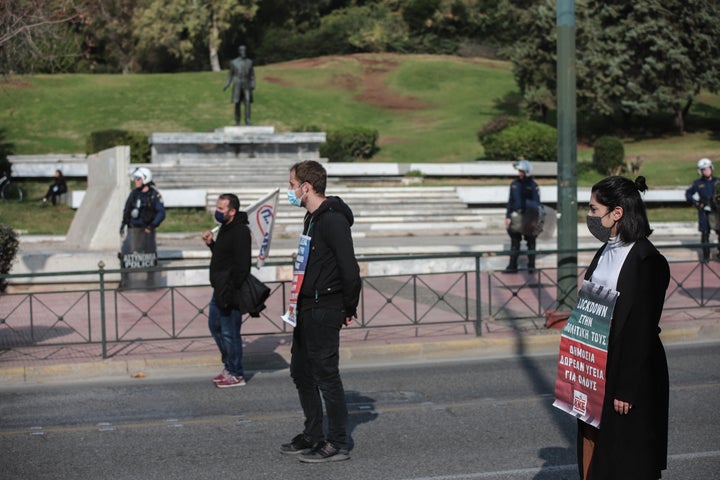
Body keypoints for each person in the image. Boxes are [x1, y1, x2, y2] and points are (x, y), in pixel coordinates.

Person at [579, 175, 670, 480]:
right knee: (594, 448)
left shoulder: (647, 260)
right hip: (596, 367)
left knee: (626, 458)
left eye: (594, 210)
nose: (589, 217)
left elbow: (642, 328)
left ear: (616, 212)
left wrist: (627, 388)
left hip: (627, 373)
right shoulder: (605, 249)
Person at [280, 160, 361, 463]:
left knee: (326, 375)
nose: (290, 191)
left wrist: (347, 306)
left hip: (326, 306)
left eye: (291, 185)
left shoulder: (333, 220)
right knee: (300, 371)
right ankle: (313, 433)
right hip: (305, 306)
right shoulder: (311, 218)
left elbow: (349, 269)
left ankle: (337, 442)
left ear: (306, 187)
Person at [201, 193, 251, 388]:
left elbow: (242, 266)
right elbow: (223, 257)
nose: (217, 211)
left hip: (230, 292)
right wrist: (211, 244)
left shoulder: (240, 231)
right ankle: (229, 366)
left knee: (230, 333)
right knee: (215, 327)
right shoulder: (225, 228)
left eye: (221, 208)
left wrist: (231, 289)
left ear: (232, 211)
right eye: (217, 207)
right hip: (220, 289)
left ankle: (236, 373)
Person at [119, 167, 166, 287]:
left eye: (138, 178)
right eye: (135, 178)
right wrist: (123, 225)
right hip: (133, 230)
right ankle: (125, 281)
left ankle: (150, 281)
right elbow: (127, 209)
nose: (136, 181)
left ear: (145, 179)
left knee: (150, 256)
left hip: (147, 230)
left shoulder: (154, 195)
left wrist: (152, 225)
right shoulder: (134, 194)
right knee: (125, 254)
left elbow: (161, 212)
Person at [503, 159, 540, 273]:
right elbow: (510, 201)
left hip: (529, 216)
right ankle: (512, 267)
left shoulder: (533, 185)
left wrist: (534, 219)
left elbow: (536, 202)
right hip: (516, 216)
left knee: (531, 242)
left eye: (521, 171)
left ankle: (531, 267)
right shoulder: (514, 184)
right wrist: (508, 216)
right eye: (519, 171)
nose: (519, 173)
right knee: (515, 241)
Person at [685, 158, 719, 262]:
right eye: (704, 169)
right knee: (705, 233)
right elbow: (688, 194)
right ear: (700, 171)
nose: (706, 171)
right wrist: (696, 203)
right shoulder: (697, 183)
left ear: (711, 168)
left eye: (708, 168)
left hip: (717, 211)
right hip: (704, 211)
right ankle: (705, 257)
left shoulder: (717, 181)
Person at [223, 45, 255, 126]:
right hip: (237, 83)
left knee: (247, 101)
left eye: (244, 50)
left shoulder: (249, 62)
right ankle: (237, 121)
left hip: (246, 83)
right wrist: (227, 84)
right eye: (242, 51)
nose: (243, 52)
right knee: (237, 102)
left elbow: (252, 75)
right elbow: (230, 74)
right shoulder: (234, 62)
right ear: (239, 51)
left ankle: (248, 120)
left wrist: (253, 83)